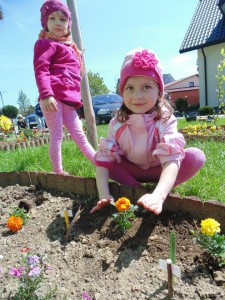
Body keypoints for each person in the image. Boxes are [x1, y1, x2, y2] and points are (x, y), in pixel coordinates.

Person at [91, 48, 206, 215]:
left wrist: (159, 196)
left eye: (146, 87)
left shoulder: (165, 119)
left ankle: (162, 187)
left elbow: (171, 159)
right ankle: (135, 189)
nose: (137, 95)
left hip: (161, 168)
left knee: (196, 157)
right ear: (122, 92)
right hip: (131, 170)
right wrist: (104, 195)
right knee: (100, 158)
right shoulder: (116, 124)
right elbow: (104, 161)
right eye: (129, 88)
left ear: (159, 92)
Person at [33, 0, 95, 175]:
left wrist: (78, 57)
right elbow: (41, 70)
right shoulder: (45, 44)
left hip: (68, 100)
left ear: (68, 23)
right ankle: (58, 170)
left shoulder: (70, 47)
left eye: (62, 19)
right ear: (45, 24)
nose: (58, 23)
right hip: (52, 98)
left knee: (80, 135)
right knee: (57, 134)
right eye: (52, 18)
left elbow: (74, 74)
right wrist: (46, 94)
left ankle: (100, 162)